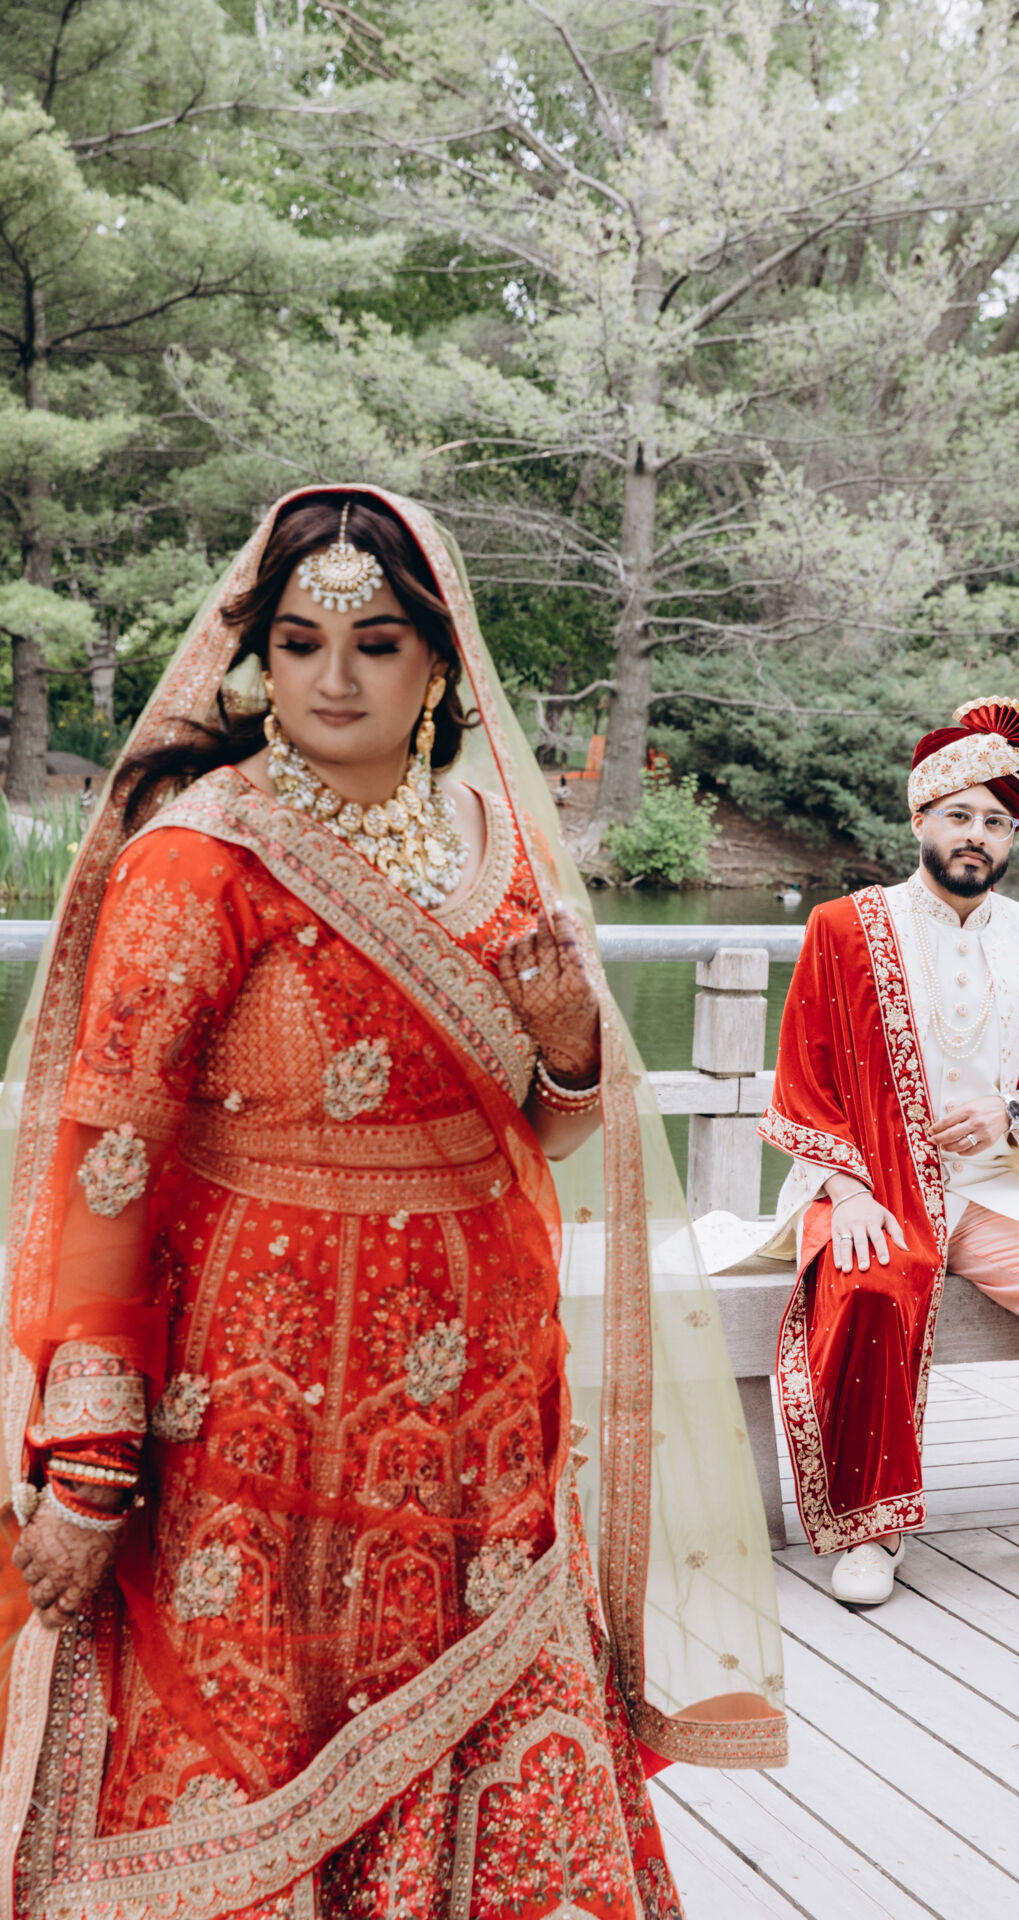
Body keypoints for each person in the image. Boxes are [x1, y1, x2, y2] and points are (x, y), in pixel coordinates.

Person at [0, 488, 784, 1917]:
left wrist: (567, 1048)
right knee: (260, 1733)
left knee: (490, 1698)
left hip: (482, 1412)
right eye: (300, 644)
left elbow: (542, 1135)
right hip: (255, 1414)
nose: (335, 679)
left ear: (437, 660)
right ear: (259, 658)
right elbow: (109, 1164)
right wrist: (90, 1461)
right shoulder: (200, 856)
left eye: (374, 643)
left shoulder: (497, 848)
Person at [724, 697, 1019, 1608]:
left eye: (995, 822)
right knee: (873, 1288)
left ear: (1011, 839)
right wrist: (846, 1191)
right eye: (959, 815)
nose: (976, 837)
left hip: (994, 1189)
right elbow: (804, 1078)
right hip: (869, 1184)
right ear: (920, 818)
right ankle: (874, 1529)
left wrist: (1014, 1111)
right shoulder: (847, 927)